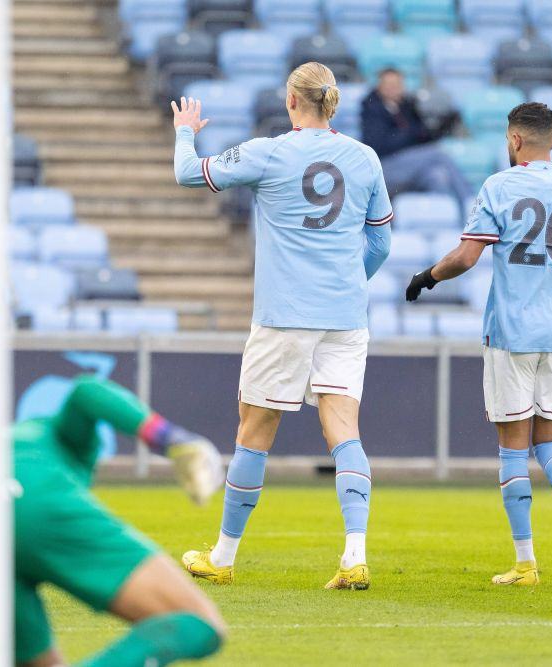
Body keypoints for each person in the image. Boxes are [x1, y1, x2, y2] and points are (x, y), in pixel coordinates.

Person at [171, 62, 393, 590]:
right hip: (344, 318)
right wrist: (346, 284)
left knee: (254, 432)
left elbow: (187, 173)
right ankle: (355, 555)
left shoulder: (267, 152)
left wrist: (185, 131)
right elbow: (381, 244)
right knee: (345, 432)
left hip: (285, 317)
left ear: (292, 101)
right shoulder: (365, 159)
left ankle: (222, 558)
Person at [405, 102, 552, 586]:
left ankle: (526, 563)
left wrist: (426, 277)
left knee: (514, 449)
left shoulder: (501, 185)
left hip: (513, 332)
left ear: (514, 141)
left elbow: (467, 257)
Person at [0, 376, 227, 667]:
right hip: (28, 494)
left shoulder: (8, 445)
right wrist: (173, 439)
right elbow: (87, 391)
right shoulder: (58, 438)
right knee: (199, 623)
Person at [361, 68, 472, 203]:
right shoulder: (372, 110)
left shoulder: (407, 106)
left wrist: (444, 125)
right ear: (379, 87)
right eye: (388, 84)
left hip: (409, 166)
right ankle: (471, 203)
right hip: (384, 169)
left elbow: (422, 137)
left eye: (397, 84)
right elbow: (380, 146)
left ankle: (439, 220)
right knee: (438, 154)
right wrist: (410, 134)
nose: (393, 88)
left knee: (438, 175)